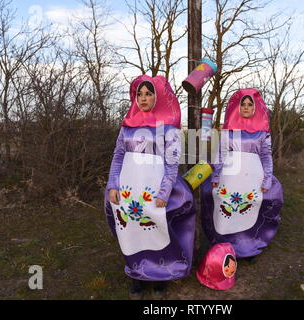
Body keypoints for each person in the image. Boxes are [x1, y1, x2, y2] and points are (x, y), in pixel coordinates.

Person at [104, 75, 195, 299]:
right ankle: (136, 274)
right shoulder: (127, 126)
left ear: (158, 96)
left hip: (154, 189)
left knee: (156, 229)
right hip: (128, 189)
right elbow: (118, 156)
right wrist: (113, 185)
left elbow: (172, 164)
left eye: (149, 93)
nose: (143, 98)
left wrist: (164, 192)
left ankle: (160, 276)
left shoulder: (169, 129)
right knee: (131, 231)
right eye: (140, 94)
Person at [201, 88, 283, 262]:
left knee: (248, 209)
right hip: (229, 177)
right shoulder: (227, 131)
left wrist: (267, 178)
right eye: (242, 104)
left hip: (252, 177)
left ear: (255, 108)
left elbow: (266, 156)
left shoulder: (262, 132)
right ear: (237, 107)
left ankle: (247, 248)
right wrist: (215, 176)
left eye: (249, 105)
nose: (246, 107)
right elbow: (220, 154)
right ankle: (224, 246)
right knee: (226, 209)